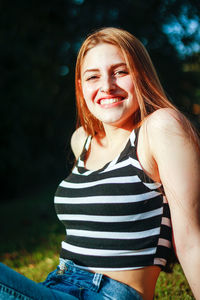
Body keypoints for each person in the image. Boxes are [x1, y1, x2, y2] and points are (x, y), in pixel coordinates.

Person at [0, 27, 200, 300]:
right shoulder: (82, 140)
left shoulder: (159, 128)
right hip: (55, 286)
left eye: (120, 71)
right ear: (81, 87)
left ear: (142, 75)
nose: (107, 86)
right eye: (93, 76)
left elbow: (191, 239)